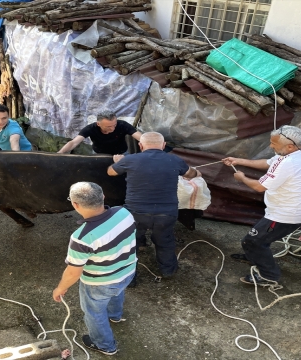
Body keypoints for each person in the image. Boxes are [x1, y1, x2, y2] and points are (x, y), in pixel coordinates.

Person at [222, 125, 301, 286]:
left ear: (290, 146)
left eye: (274, 144)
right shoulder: (300, 151)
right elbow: (268, 163)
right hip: (288, 209)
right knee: (258, 239)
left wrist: (242, 178)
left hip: (286, 214)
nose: (271, 146)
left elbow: (259, 187)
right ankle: (254, 256)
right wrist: (239, 161)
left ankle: (268, 276)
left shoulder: (289, 162)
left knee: (252, 241)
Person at [52, 182, 137, 356]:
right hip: (128, 271)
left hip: (100, 283)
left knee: (94, 312)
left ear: (75, 205)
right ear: (103, 197)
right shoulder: (124, 212)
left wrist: (61, 288)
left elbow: (73, 272)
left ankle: (105, 345)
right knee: (117, 292)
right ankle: (115, 315)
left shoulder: (81, 237)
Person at [107, 132, 199, 279]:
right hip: (166, 213)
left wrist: (118, 161)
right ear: (163, 146)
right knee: (165, 240)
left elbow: (111, 172)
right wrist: (194, 170)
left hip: (136, 213)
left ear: (141, 145)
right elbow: (191, 174)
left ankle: (129, 278)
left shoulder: (130, 159)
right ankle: (168, 271)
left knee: (131, 243)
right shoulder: (174, 160)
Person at [58, 112, 142, 155]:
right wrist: (60, 154)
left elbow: (141, 138)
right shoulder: (91, 128)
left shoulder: (122, 125)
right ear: (98, 124)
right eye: (108, 126)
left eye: (114, 125)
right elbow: (73, 142)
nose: (112, 128)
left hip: (121, 153)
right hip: (99, 154)